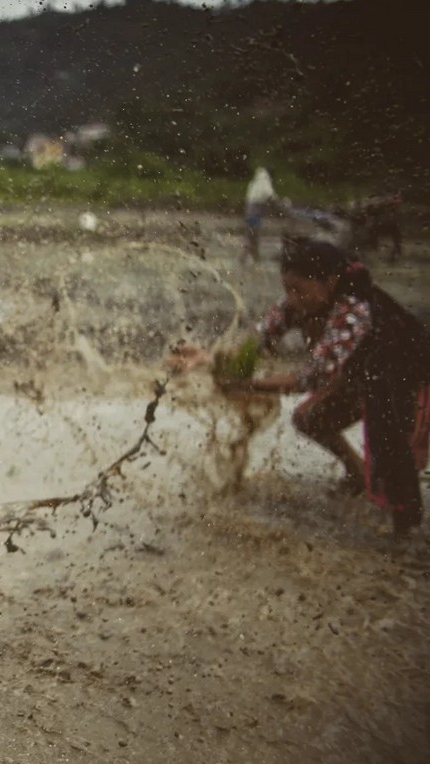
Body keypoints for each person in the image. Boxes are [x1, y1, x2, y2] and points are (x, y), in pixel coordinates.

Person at [173, 238, 430, 538]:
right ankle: (357, 474)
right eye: (287, 289)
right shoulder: (295, 303)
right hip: (367, 377)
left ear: (331, 281)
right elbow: (257, 341)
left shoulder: (354, 311)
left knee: (393, 463)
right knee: (311, 419)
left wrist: (249, 386)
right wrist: (211, 359)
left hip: (410, 381)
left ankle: (403, 543)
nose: (292, 298)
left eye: (300, 290)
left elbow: (308, 379)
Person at [244, 167, 277, 263]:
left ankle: (249, 257)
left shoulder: (253, 183)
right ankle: (254, 258)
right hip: (255, 214)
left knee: (250, 235)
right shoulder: (264, 183)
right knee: (254, 236)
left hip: (248, 212)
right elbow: (270, 196)